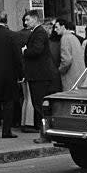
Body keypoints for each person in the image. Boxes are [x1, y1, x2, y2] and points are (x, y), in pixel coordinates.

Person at [22, 10, 60, 141]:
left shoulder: (39, 32)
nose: (25, 22)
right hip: (39, 75)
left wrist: (25, 51)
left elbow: (36, 50)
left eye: (27, 20)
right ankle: (46, 133)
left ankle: (45, 135)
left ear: (35, 19)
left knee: (40, 105)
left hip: (39, 76)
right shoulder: (38, 32)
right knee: (40, 105)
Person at [55, 18, 85, 90]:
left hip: (70, 77)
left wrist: (60, 70)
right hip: (79, 75)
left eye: (56, 27)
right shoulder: (73, 37)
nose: (55, 30)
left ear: (63, 26)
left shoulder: (65, 38)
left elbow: (66, 60)